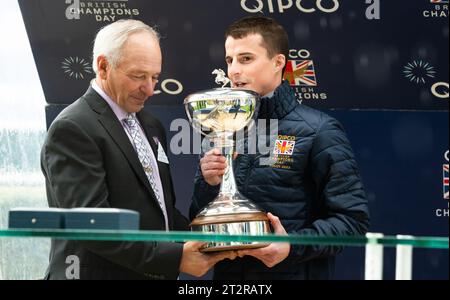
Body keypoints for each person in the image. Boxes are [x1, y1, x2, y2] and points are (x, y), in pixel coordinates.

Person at [41, 19, 236, 280]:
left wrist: (210, 238)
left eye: (155, 77)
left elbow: (161, 212)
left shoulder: (151, 125)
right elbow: (92, 227)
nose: (150, 88)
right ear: (103, 66)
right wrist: (177, 258)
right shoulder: (73, 129)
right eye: (138, 76)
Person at [190, 16, 370, 280]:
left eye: (246, 59)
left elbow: (353, 221)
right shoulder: (222, 126)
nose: (234, 71)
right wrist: (208, 182)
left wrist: (292, 246)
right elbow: (199, 220)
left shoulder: (319, 130)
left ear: (278, 63)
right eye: (230, 60)